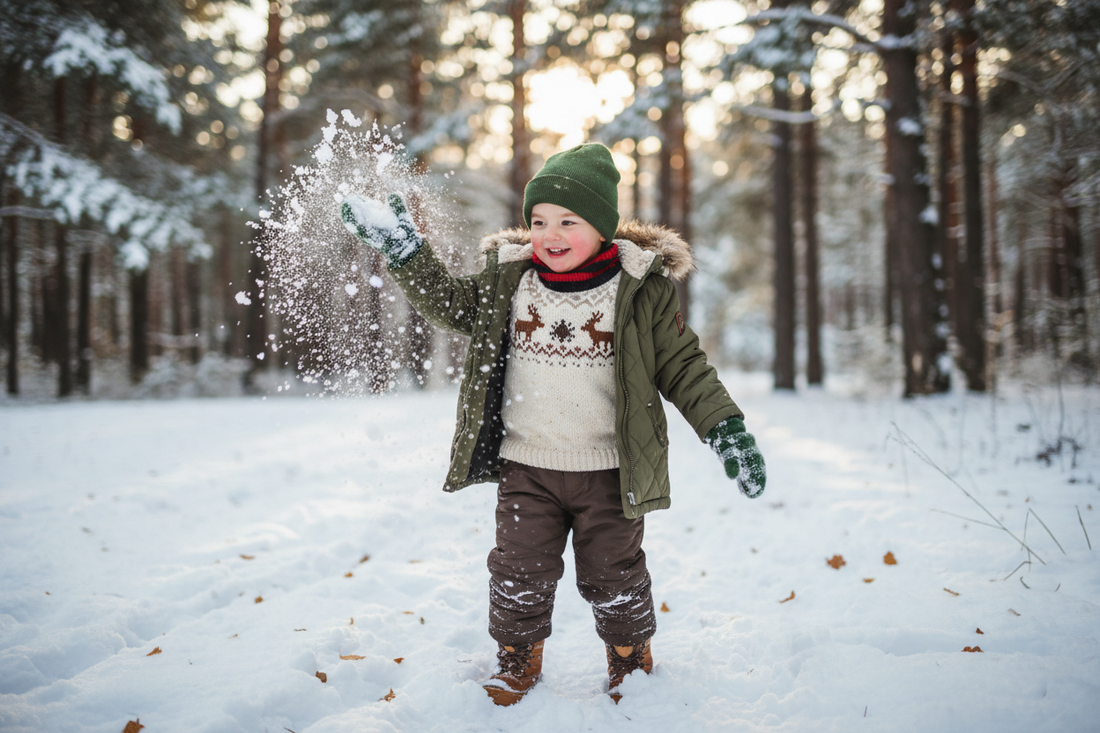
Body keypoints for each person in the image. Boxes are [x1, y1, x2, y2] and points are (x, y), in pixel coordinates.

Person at [340, 143, 766, 706]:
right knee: (517, 569)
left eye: (569, 220)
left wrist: (725, 428)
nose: (551, 233)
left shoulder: (639, 291)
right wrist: (406, 251)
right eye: (538, 220)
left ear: (604, 228)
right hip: (528, 468)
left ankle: (628, 657)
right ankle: (517, 658)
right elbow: (447, 304)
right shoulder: (510, 283)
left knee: (614, 571)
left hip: (611, 472)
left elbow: (684, 367)